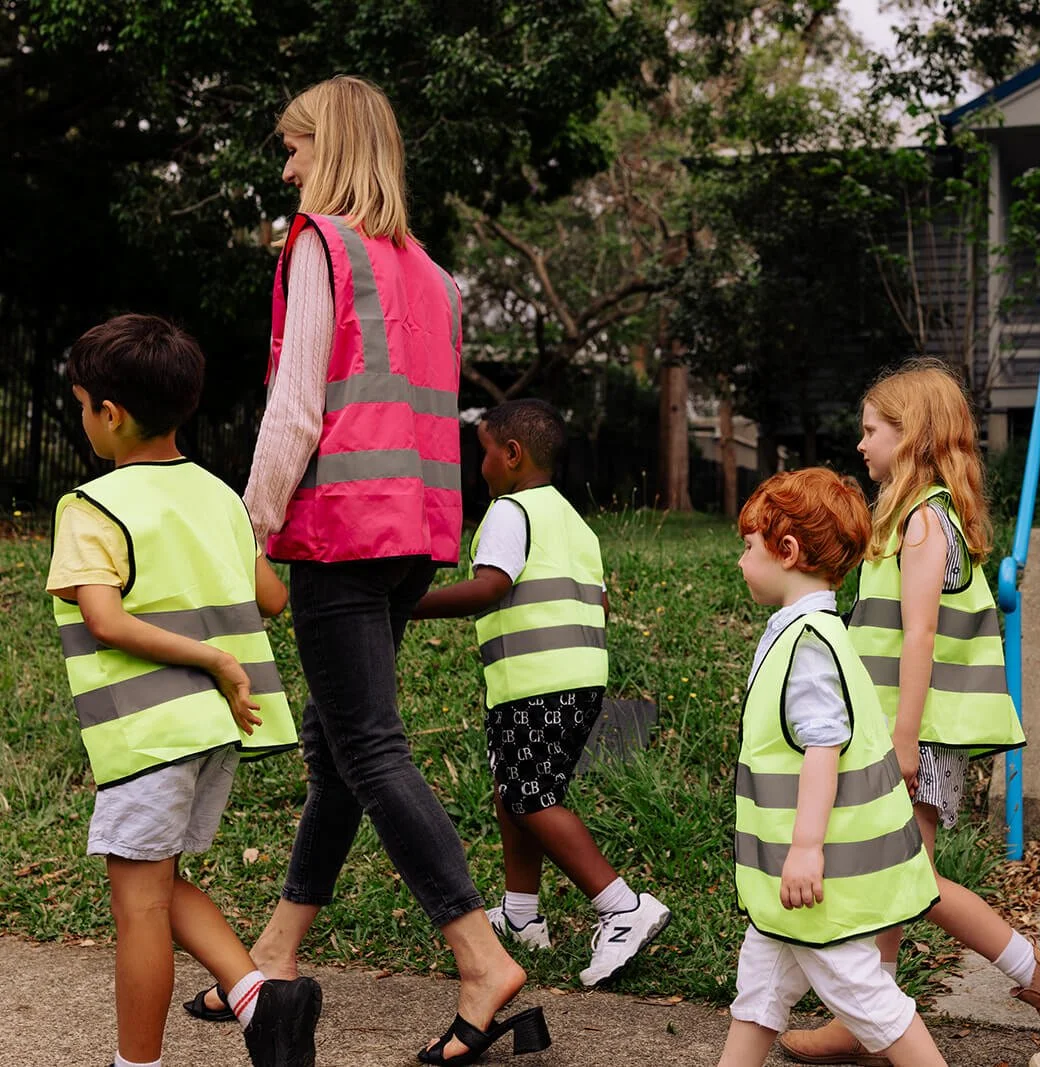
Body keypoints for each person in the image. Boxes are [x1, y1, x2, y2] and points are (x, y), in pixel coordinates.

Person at [181, 76, 531, 1066]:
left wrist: (246, 527)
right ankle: (275, 950)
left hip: (340, 530)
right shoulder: (432, 274)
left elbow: (297, 408)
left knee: (369, 749)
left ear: (328, 146)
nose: (288, 167)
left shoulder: (320, 246)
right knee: (341, 749)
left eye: (295, 147)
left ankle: (481, 957)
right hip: (413, 536)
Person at [779, 363, 1040, 1066]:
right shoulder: (910, 519)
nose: (861, 443)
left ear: (912, 435)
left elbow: (920, 634)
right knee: (898, 875)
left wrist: (902, 740)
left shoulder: (924, 521)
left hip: (915, 733)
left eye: (872, 430)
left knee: (910, 879)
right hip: (904, 728)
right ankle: (874, 1013)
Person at [47, 314, 319, 1067]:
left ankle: (136, 1064)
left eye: (82, 405)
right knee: (160, 881)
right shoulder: (220, 498)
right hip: (214, 731)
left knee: (137, 905)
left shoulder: (91, 507)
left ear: (110, 413)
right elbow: (271, 597)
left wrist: (211, 657)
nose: (83, 418)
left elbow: (103, 619)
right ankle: (259, 998)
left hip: (148, 731)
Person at [413, 399, 670, 986]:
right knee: (515, 790)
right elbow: (601, 603)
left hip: (535, 683)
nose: (478, 465)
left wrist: (407, 606)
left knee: (531, 796)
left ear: (512, 454)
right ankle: (522, 915)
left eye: (483, 451)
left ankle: (623, 908)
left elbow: (490, 587)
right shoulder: (573, 521)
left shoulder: (510, 511)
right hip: (573, 680)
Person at [722, 467, 946, 1067]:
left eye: (749, 547)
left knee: (868, 999)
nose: (741, 561)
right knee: (760, 991)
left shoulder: (808, 645)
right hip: (797, 882)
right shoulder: (810, 632)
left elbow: (823, 749)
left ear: (787, 551)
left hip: (819, 879)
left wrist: (804, 849)